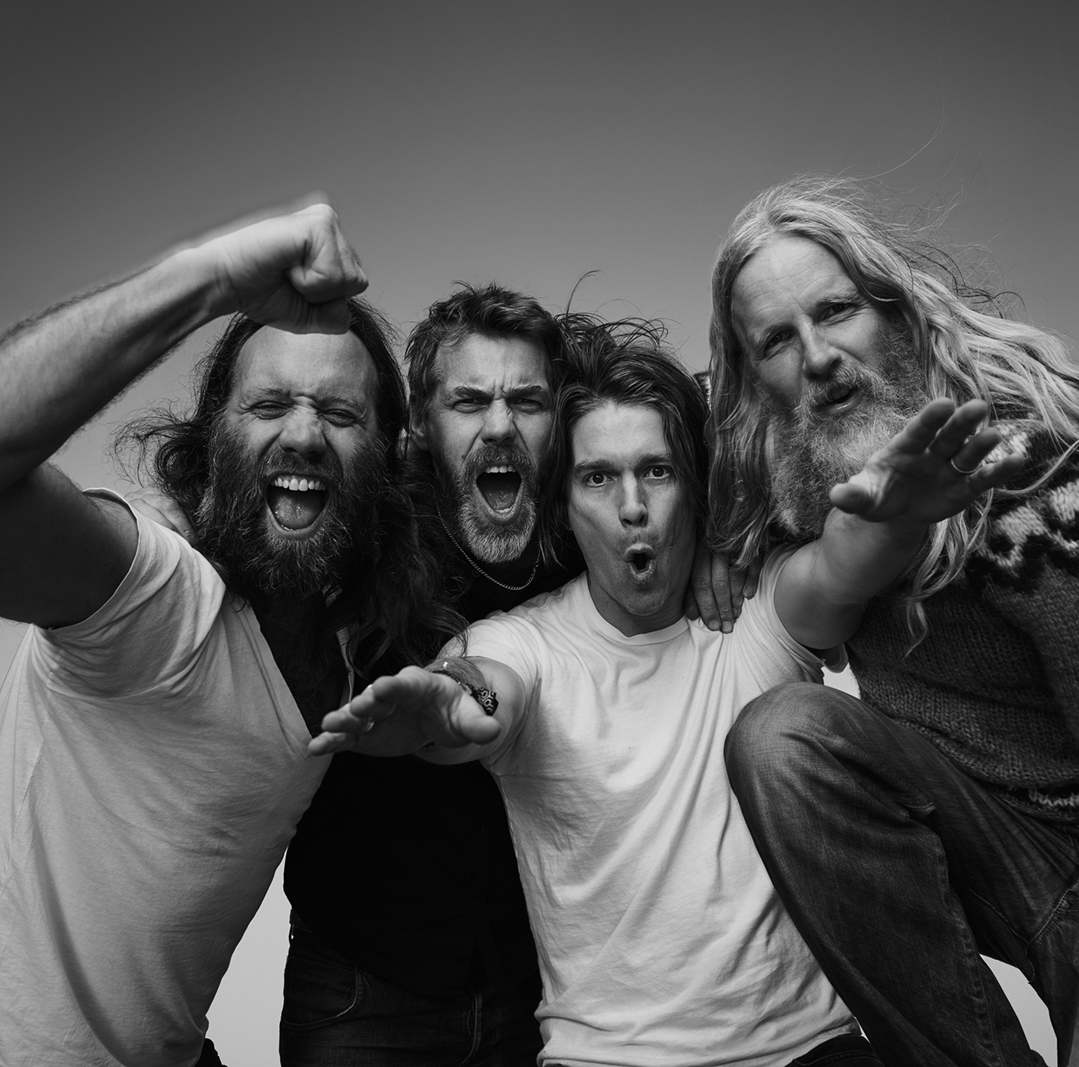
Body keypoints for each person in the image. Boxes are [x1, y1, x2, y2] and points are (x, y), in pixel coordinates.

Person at [312, 323, 1018, 1066]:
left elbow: (839, 570)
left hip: (808, 1052)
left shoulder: (756, 613)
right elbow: (483, 695)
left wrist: (895, 524)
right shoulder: (521, 642)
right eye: (597, 478)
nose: (632, 506)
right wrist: (442, 709)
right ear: (562, 503)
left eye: (656, 471)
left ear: (695, 487)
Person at [707, 177, 1079, 1067]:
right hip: (986, 831)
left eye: (836, 311)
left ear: (895, 307)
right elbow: (652, 448)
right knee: (782, 741)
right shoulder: (799, 459)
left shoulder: (1051, 471)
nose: (818, 357)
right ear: (754, 378)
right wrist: (709, 548)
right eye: (777, 341)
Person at [0, 204, 451, 1067]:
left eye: (339, 413)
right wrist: (210, 278)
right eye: (268, 404)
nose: (303, 433)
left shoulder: (351, 622)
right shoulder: (155, 593)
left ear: (386, 454)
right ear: (213, 437)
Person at [275, 285, 758, 1066]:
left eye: (526, 401)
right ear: (421, 427)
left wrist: (711, 532)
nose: (499, 425)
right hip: (366, 979)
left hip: (526, 989)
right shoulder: (358, 536)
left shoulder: (586, 537)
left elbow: (684, 437)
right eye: (468, 402)